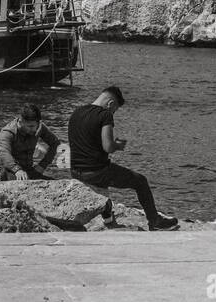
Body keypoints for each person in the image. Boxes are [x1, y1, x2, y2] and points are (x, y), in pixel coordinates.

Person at [67, 86, 178, 230]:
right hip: (95, 172)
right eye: (114, 110)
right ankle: (154, 221)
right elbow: (108, 147)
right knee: (140, 181)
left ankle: (108, 221)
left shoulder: (77, 112)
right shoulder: (104, 115)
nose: (113, 113)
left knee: (105, 181)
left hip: (76, 171)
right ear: (110, 104)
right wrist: (117, 145)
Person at [0, 103, 60, 181]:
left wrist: (42, 166)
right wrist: (17, 170)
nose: (34, 129)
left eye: (36, 125)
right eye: (30, 126)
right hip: (5, 172)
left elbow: (55, 143)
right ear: (20, 122)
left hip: (28, 171)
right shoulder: (7, 132)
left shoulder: (38, 127)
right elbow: (4, 152)